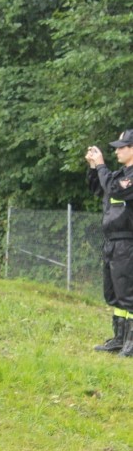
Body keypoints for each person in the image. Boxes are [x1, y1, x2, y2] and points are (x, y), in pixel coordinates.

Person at [86, 130, 133, 358]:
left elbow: (115, 189)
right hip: (113, 242)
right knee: (114, 293)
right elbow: (99, 188)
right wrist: (94, 168)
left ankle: (132, 344)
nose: (116, 151)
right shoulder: (118, 175)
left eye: (121, 147)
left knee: (129, 292)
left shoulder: (130, 178)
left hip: (129, 242)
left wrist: (102, 165)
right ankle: (119, 339)